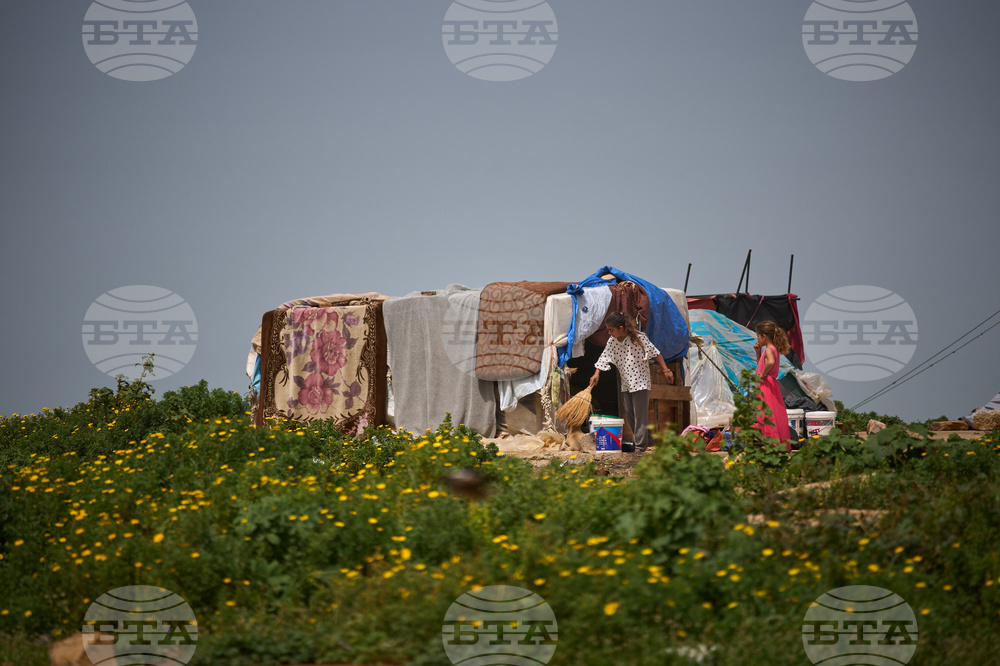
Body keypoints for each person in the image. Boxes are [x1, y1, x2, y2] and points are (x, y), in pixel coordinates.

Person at [589, 312, 673, 451]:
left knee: (640, 417)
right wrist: (596, 373)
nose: (609, 333)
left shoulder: (639, 338)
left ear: (621, 328)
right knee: (631, 416)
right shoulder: (613, 342)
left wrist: (666, 370)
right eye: (608, 330)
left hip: (640, 382)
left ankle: (640, 447)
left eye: (611, 330)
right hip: (626, 384)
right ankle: (649, 441)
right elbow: (604, 356)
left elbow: (656, 353)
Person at [753, 321, 792, 449]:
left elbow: (770, 362)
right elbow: (763, 363)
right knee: (772, 412)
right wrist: (758, 353)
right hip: (771, 384)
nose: (757, 339)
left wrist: (763, 375)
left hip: (766, 384)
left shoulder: (769, 349)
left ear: (764, 336)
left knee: (766, 413)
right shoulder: (771, 349)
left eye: (758, 336)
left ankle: (771, 442)